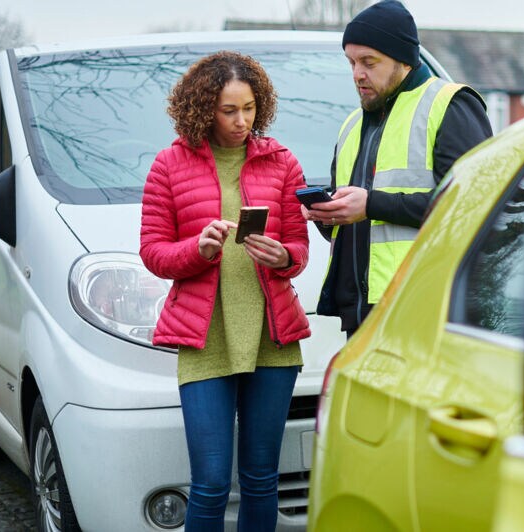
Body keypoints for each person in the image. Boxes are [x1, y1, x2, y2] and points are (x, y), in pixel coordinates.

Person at [139, 51, 310, 531]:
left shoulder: (281, 162)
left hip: (271, 339)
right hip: (205, 341)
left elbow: (299, 246)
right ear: (202, 108)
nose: (242, 121)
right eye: (228, 110)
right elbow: (152, 252)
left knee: (260, 479)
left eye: (250, 108)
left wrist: (285, 258)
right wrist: (198, 249)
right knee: (211, 482)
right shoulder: (169, 165)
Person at [301, 0, 493, 336]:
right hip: (362, 316)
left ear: (403, 60)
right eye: (351, 62)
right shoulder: (350, 126)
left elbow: (475, 205)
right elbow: (353, 228)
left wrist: (372, 204)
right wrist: (328, 215)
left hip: (427, 309)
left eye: (368, 62)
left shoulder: (450, 105)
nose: (357, 73)